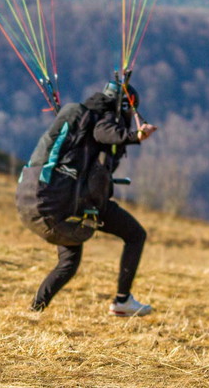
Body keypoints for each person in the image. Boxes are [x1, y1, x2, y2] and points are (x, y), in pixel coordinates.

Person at [16, 80, 157, 316]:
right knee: (135, 235)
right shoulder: (102, 120)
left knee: (68, 263)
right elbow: (105, 134)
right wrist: (136, 136)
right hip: (79, 201)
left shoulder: (81, 119)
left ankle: (34, 311)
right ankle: (122, 301)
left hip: (58, 201)